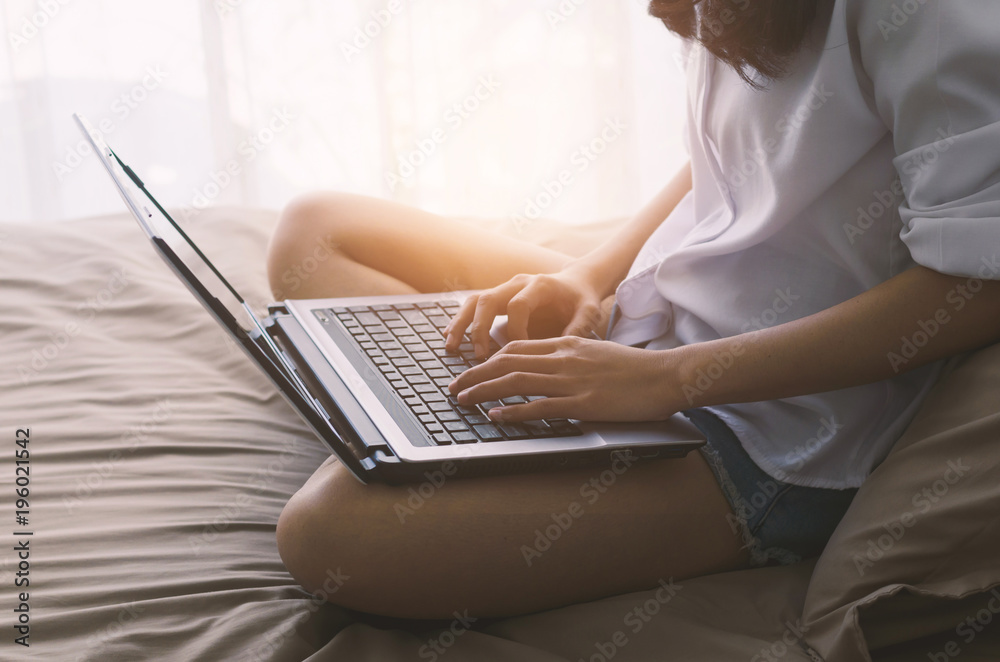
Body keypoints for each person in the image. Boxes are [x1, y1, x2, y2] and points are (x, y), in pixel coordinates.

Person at [265, 0, 1000, 619]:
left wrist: (667, 382)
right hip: (659, 320)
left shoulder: (932, 17)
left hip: (768, 432)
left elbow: (979, 284)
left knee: (325, 536)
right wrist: (592, 275)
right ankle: (440, 416)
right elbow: (729, 152)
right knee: (316, 228)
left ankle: (459, 431)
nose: (652, 11)